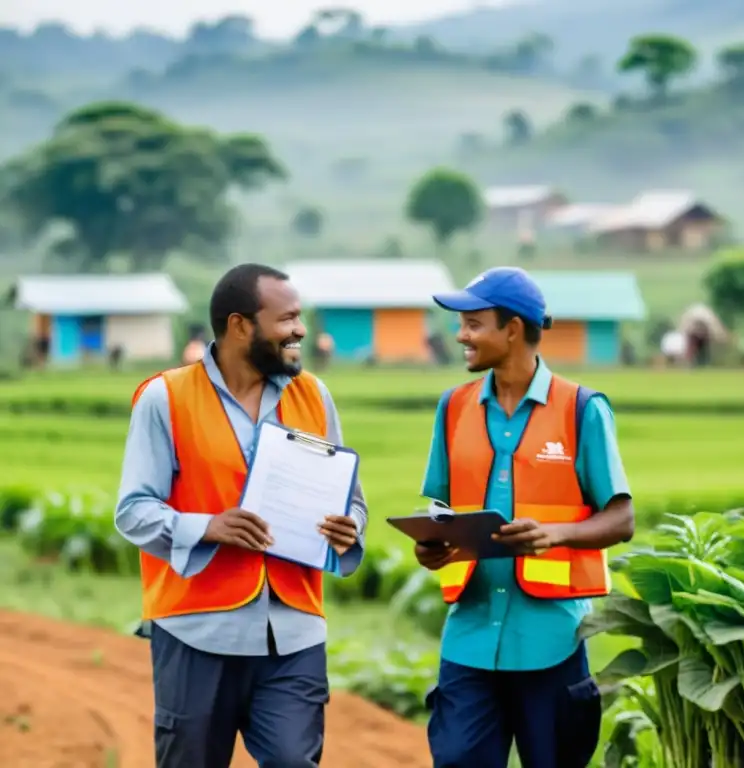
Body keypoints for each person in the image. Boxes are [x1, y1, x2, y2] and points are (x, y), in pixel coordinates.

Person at [114, 263, 368, 768]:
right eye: (287, 319)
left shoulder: (315, 396)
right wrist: (206, 526)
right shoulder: (166, 397)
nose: (300, 330)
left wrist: (349, 527)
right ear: (240, 326)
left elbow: (352, 500)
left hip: (294, 631)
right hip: (196, 631)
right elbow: (133, 511)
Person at [414, 266, 636, 768]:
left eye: (473, 324)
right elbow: (440, 507)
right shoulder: (453, 407)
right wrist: (431, 540)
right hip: (468, 636)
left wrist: (555, 533)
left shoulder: (581, 409)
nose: (461, 335)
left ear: (511, 329)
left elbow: (621, 518)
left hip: (551, 641)